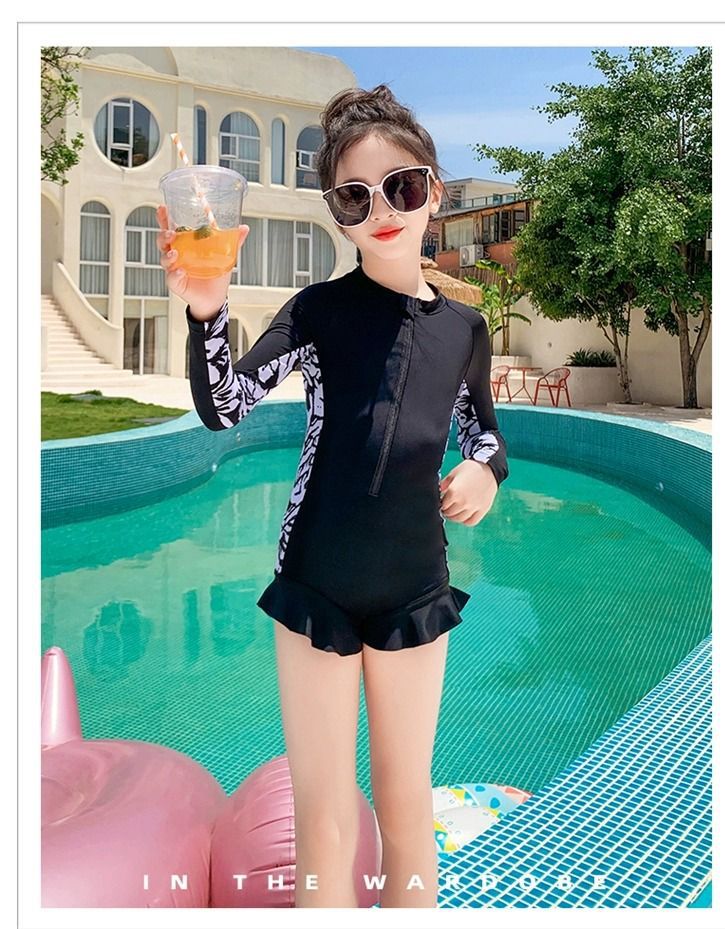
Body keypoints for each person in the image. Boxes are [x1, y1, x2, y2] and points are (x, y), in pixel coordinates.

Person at [157, 83, 509, 909]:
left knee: (406, 804)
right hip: (319, 583)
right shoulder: (318, 312)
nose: (382, 210)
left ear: (434, 193)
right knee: (323, 818)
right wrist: (207, 311)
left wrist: (485, 473)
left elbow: (486, 434)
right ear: (338, 217)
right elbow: (226, 405)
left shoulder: (464, 330)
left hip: (414, 586)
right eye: (356, 196)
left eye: (402, 187)